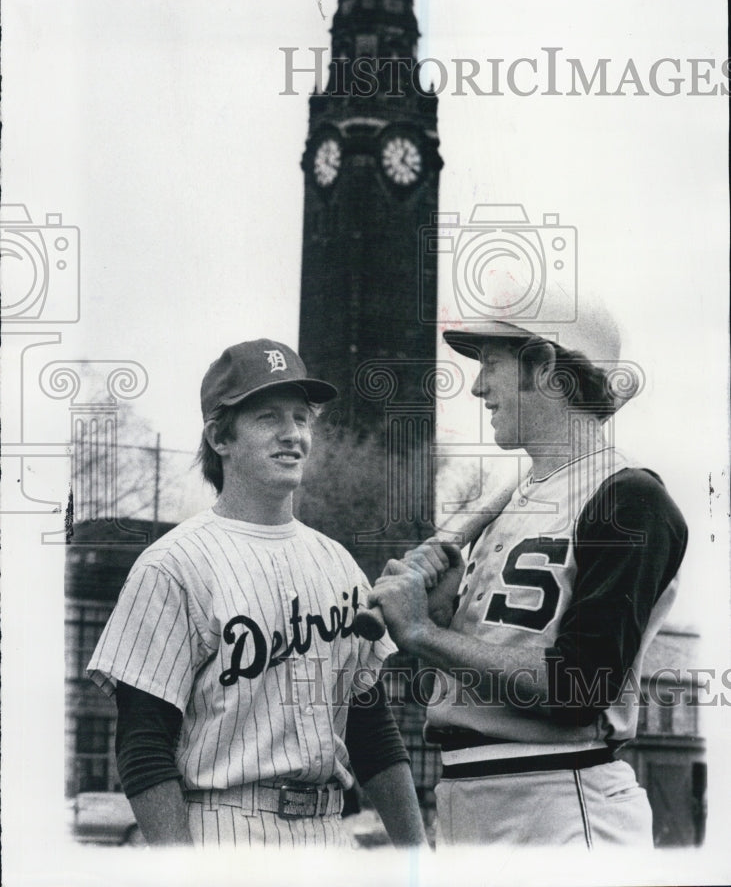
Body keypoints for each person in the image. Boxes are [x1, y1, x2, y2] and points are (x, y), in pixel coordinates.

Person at [368, 302, 688, 848]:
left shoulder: (629, 500)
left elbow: (575, 688)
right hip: (468, 800)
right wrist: (449, 616)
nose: (477, 386)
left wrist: (425, 634)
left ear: (543, 366)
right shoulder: (512, 503)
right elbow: (502, 650)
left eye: (490, 363)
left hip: (562, 800)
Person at [88, 339, 426, 848]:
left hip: (330, 833)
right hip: (225, 829)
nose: (293, 435)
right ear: (220, 437)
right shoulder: (172, 565)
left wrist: (417, 856)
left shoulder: (338, 564)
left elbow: (371, 731)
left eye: (302, 417)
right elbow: (143, 746)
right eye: (269, 417)